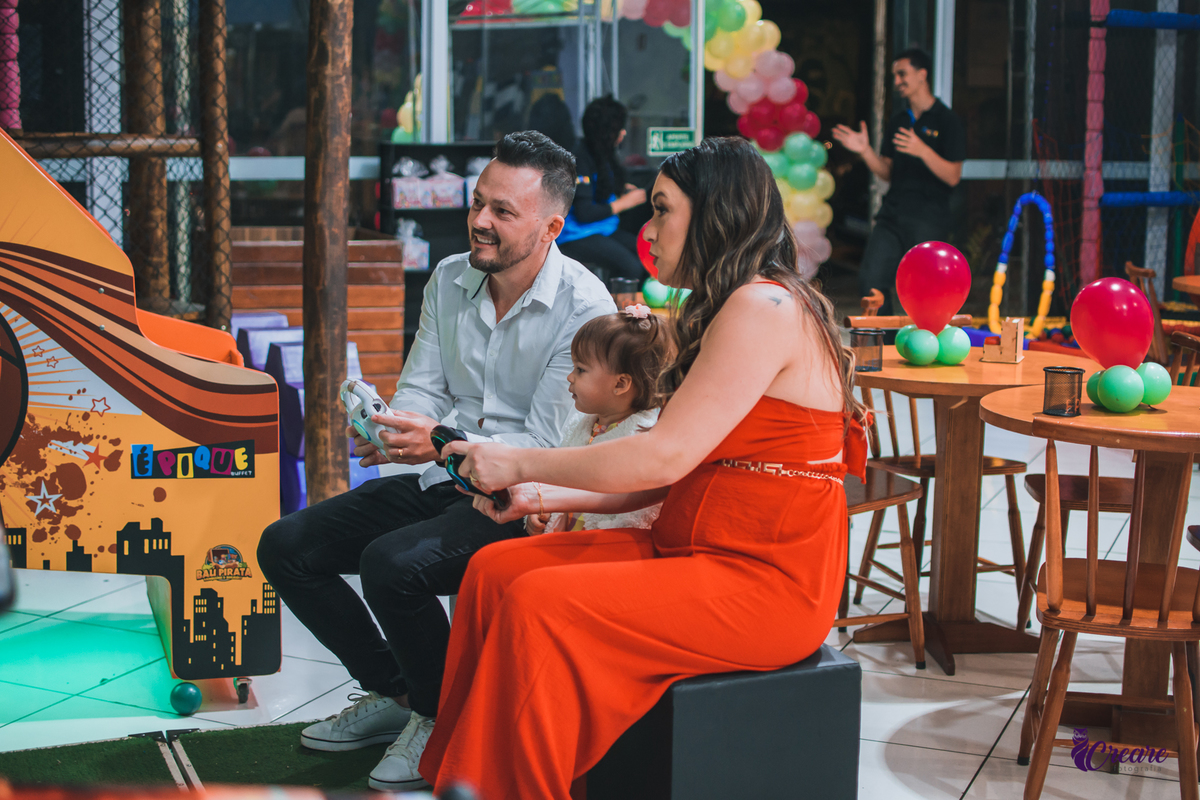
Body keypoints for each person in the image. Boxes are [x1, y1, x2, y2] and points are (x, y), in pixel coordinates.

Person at [416, 136, 871, 799]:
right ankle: (467, 780)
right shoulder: (731, 305)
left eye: (662, 211)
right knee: (493, 571)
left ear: (716, 214)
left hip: (765, 583)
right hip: (693, 547)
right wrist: (538, 488)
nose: (647, 231)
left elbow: (663, 453)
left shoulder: (762, 307)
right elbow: (673, 472)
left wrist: (515, 458)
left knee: (543, 605)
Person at [256, 131, 616, 792]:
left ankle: (438, 716)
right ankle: (397, 696)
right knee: (287, 545)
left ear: (550, 227)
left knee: (392, 565)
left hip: (522, 500)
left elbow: (540, 451)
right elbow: (423, 386)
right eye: (479, 202)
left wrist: (441, 440)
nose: (479, 220)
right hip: (443, 476)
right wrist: (393, 427)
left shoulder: (585, 309)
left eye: (503, 212)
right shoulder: (451, 278)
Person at [832, 47, 965, 315]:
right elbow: (887, 172)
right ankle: (889, 346)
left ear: (922, 74)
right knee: (871, 282)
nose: (897, 82)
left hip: (928, 218)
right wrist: (865, 151)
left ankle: (923, 345)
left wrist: (923, 151)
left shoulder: (947, 120)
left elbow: (953, 176)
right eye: (895, 76)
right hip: (892, 214)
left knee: (924, 290)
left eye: (902, 74)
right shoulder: (899, 121)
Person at [527, 304, 672, 535]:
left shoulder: (642, 439)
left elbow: (635, 518)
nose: (570, 376)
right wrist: (540, 505)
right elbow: (557, 477)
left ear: (620, 384)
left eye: (581, 370)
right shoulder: (580, 425)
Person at [557, 95, 648, 282]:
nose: (624, 133)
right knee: (631, 268)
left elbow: (600, 187)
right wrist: (623, 203)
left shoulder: (602, 153)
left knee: (648, 253)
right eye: (619, 129)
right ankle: (616, 310)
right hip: (576, 235)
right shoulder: (580, 158)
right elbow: (585, 213)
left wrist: (620, 189)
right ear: (607, 131)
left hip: (604, 229)